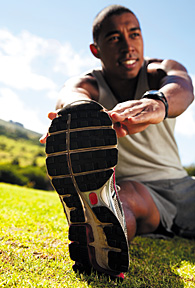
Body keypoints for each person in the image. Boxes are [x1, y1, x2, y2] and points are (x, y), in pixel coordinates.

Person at [40, 5, 195, 279]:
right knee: (118, 204)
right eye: (114, 38)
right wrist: (81, 118)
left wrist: (157, 103)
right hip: (138, 194)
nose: (128, 46)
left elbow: (182, 85)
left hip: (183, 187)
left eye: (134, 34)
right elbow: (71, 94)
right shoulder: (90, 82)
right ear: (96, 49)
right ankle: (98, 247)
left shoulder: (158, 70)